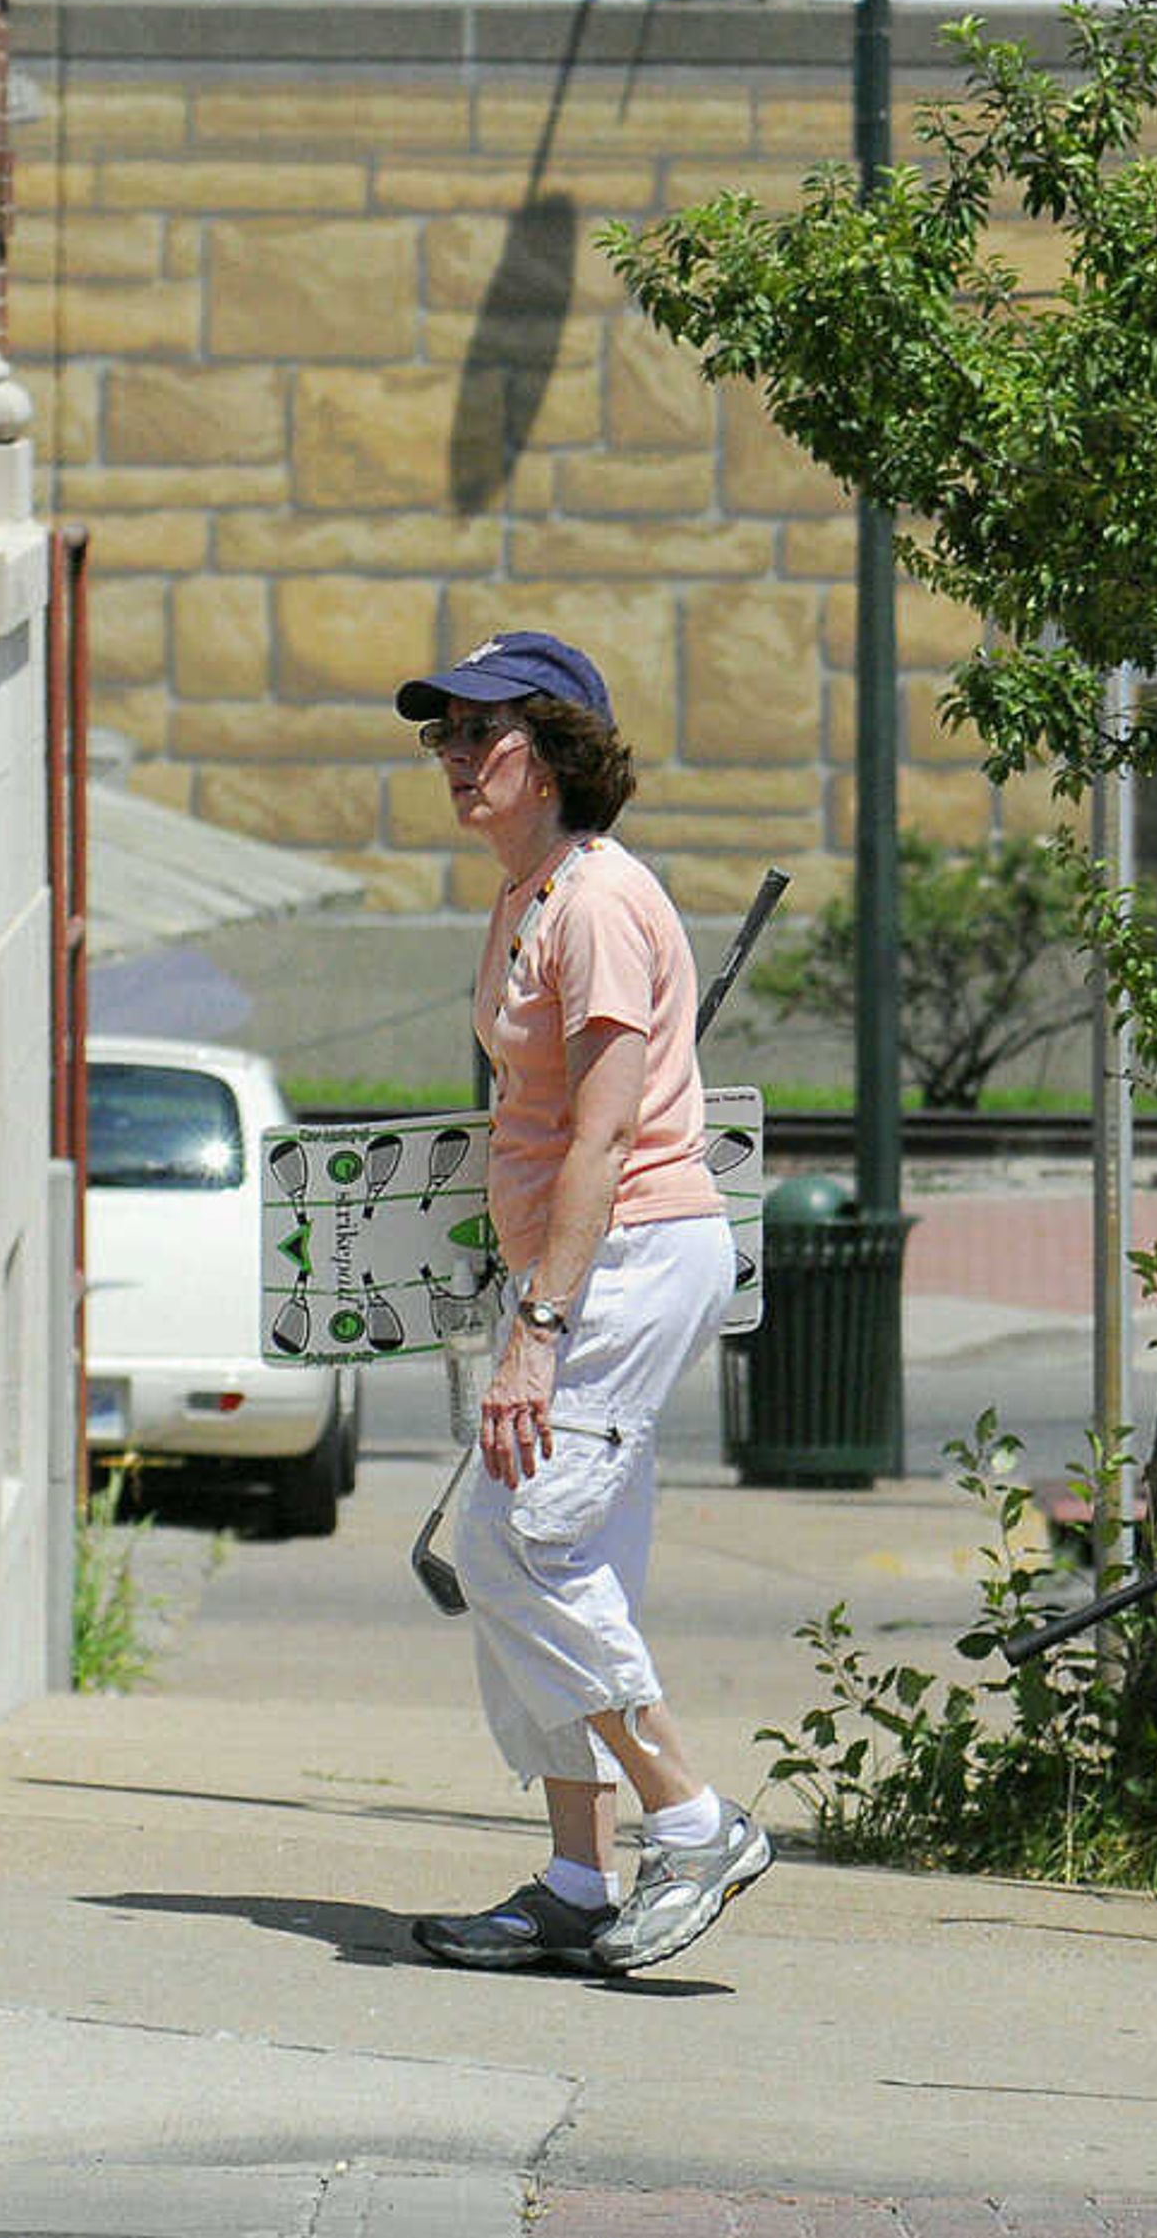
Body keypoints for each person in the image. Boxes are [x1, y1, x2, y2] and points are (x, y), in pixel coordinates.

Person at [397, 630, 773, 1978]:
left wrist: (537, 1334)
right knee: (561, 1553)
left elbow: (605, 1144)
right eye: (440, 734)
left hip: (623, 1258)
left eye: (477, 735)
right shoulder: (532, 894)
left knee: (517, 1544)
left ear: (551, 757)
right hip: (572, 1264)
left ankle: (694, 1818)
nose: (451, 758)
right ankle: (576, 1874)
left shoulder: (602, 901)